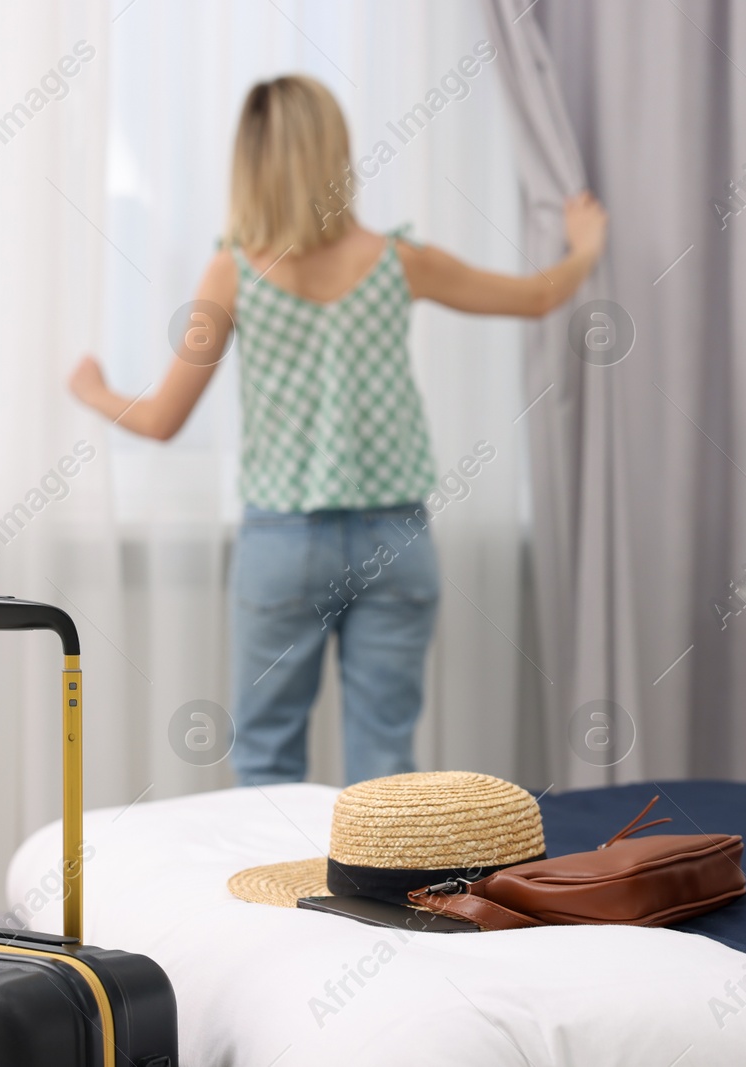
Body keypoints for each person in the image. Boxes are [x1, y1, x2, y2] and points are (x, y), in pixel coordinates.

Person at [70, 74, 606, 785]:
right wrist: (584, 249)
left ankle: (270, 897)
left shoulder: (230, 273)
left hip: (283, 543)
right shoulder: (400, 261)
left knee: (265, 759)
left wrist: (94, 390)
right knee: (385, 767)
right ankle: (374, 896)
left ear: (251, 164)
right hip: (396, 539)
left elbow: (163, 419)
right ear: (336, 154)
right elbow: (537, 297)